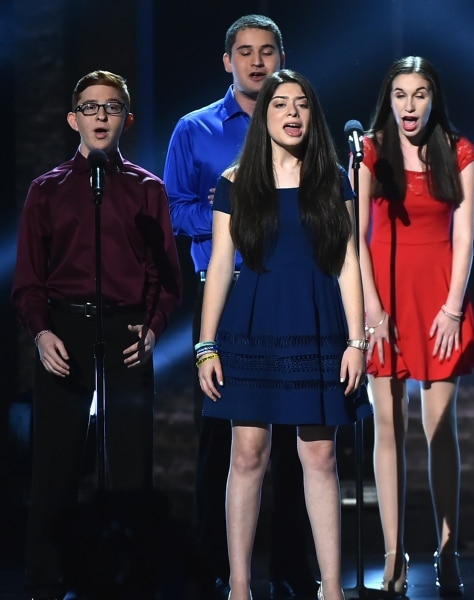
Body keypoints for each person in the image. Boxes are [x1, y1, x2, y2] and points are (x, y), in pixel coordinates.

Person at [197, 69, 369, 600]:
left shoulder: (332, 178)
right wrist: (206, 346)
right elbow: (221, 265)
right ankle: (242, 587)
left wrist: (357, 341)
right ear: (264, 115)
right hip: (251, 326)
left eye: (301, 105)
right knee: (247, 455)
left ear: (312, 116)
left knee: (319, 457)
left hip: (316, 324)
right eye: (280, 105)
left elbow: (347, 263)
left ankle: (331, 589)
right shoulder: (235, 181)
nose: (292, 114)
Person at [162, 15, 318, 599]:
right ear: (226, 60)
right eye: (245, 52)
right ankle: (218, 570)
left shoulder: (299, 124)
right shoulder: (194, 129)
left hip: (291, 294)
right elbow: (176, 210)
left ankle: (292, 566)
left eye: (268, 51)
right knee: (226, 443)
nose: (257, 61)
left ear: (282, 58)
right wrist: (231, 213)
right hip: (225, 292)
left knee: (296, 442)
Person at [12, 69, 183, 600]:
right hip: (65, 329)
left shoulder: (146, 189)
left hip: (126, 329)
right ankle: (45, 577)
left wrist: (153, 329)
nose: (101, 116)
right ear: (73, 119)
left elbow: (166, 278)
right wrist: (42, 333)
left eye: (111, 107)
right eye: (90, 107)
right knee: (57, 464)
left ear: (126, 119)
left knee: (130, 466)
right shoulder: (47, 190)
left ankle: (126, 575)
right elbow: (29, 281)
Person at [353, 55, 474, 598]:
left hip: (437, 300)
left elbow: (466, 235)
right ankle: (393, 554)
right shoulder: (369, 152)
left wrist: (453, 307)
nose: (410, 105)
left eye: (420, 94)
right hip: (383, 298)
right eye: (401, 94)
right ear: (389, 99)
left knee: (439, 430)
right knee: (388, 428)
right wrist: (372, 312)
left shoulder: (459, 151)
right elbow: (356, 236)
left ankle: (446, 552)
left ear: (434, 98)